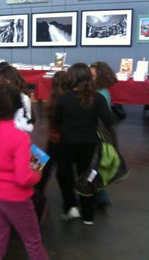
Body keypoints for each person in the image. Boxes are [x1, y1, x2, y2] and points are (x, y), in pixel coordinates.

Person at [0, 84, 48, 260]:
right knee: (33, 242)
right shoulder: (20, 137)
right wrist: (37, 174)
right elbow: (23, 178)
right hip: (16, 199)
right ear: (18, 107)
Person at [55, 63, 113, 225]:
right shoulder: (98, 98)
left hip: (66, 143)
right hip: (89, 144)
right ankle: (88, 214)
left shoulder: (64, 99)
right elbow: (108, 120)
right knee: (88, 177)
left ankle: (70, 207)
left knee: (64, 176)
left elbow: (57, 120)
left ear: (72, 78)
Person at [34, 70, 69, 222]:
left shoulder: (52, 102)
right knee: (64, 174)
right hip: (64, 141)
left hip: (53, 140)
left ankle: (37, 195)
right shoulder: (67, 102)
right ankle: (69, 203)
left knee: (46, 168)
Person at [90, 61, 118, 210]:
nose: (90, 79)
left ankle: (98, 195)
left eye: (93, 76)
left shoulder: (100, 95)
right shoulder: (103, 92)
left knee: (94, 164)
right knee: (96, 165)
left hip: (98, 134)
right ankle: (100, 195)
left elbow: (101, 118)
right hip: (101, 133)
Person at [0, 65, 34, 132]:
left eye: (0, 82)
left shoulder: (23, 98)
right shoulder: (1, 96)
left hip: (15, 135)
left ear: (8, 81)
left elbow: (28, 126)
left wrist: (7, 124)